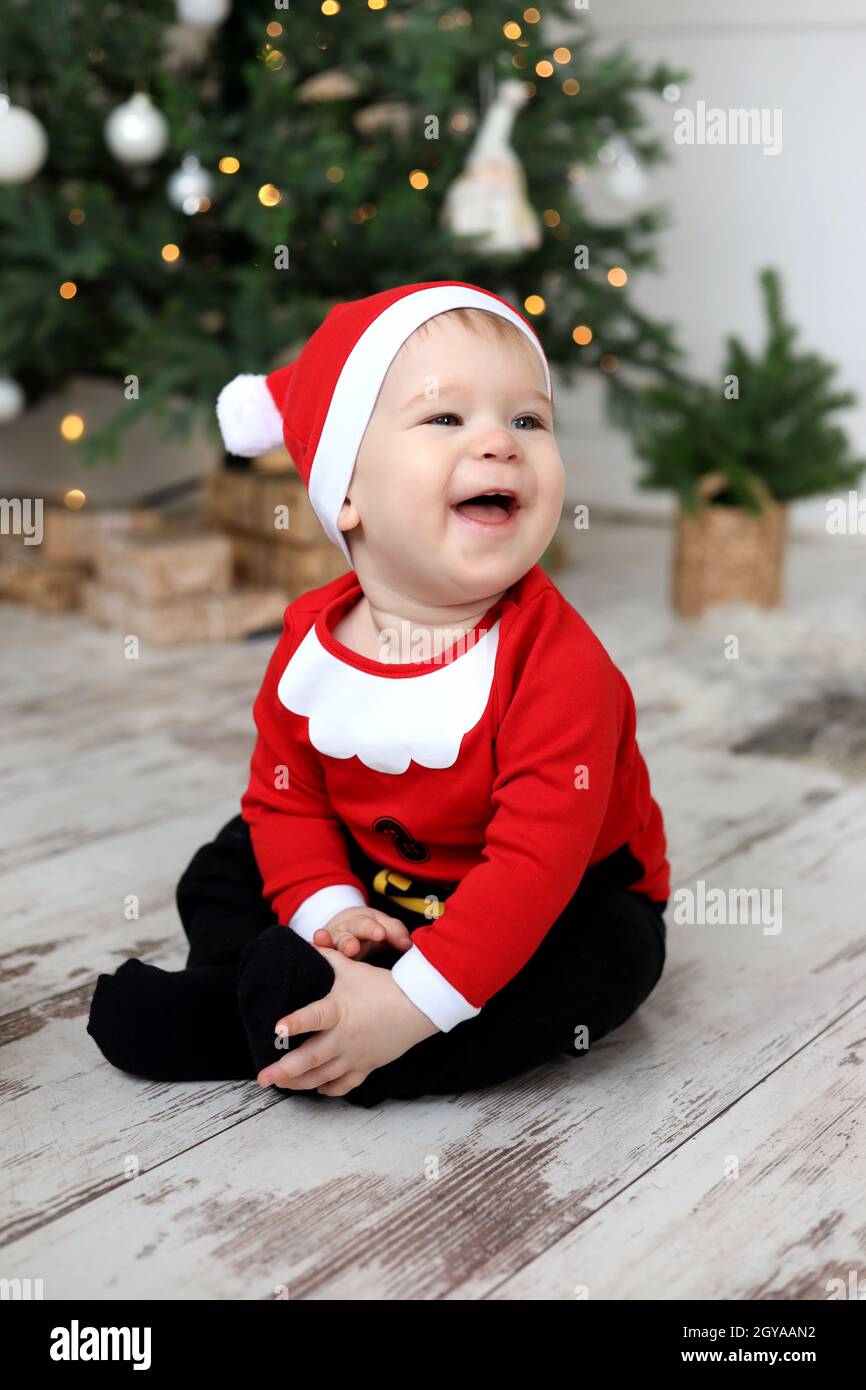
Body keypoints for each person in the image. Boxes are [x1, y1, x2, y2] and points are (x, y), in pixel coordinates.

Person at [87, 280, 670, 1108]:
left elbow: (532, 866)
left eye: (528, 420)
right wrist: (332, 909)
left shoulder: (560, 664)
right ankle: (314, 977)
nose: (501, 443)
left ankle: (318, 1031)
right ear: (346, 490)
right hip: (382, 876)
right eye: (445, 417)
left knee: (607, 955)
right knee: (227, 861)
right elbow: (288, 802)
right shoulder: (310, 648)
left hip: (553, 892)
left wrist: (407, 1004)